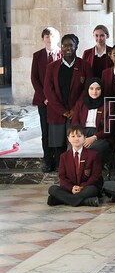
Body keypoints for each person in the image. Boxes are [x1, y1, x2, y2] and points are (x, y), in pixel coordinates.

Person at [44, 34, 92, 164]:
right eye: (65, 45)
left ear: (76, 46)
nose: (68, 48)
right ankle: (62, 170)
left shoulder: (85, 66)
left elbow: (87, 89)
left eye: (71, 45)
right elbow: (48, 90)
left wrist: (75, 109)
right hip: (57, 111)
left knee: (76, 143)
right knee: (58, 145)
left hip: (77, 111)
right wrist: (62, 111)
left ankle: (75, 169)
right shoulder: (52, 67)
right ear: (61, 47)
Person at [47, 125, 103, 207]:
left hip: (86, 187)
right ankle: (85, 201)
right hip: (71, 189)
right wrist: (71, 188)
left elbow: (95, 176)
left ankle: (62, 199)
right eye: (73, 136)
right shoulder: (64, 156)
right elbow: (62, 177)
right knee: (52, 189)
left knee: (92, 190)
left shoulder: (93, 155)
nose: (76, 139)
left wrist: (82, 187)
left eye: (79, 136)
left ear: (84, 138)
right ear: (68, 139)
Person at [71, 77, 115, 178]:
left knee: (93, 148)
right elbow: (75, 123)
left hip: (100, 135)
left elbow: (108, 129)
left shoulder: (108, 105)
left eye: (98, 89)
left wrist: (94, 137)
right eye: (91, 88)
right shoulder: (80, 104)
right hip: (82, 133)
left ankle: (91, 176)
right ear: (87, 89)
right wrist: (81, 137)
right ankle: (75, 177)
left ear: (102, 90)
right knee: (74, 148)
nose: (94, 92)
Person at [32, 26, 60, 171]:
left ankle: (59, 160)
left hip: (58, 101)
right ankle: (48, 160)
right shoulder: (37, 56)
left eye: (52, 36)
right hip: (43, 101)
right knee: (46, 131)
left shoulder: (62, 54)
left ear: (57, 38)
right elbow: (34, 78)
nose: (50, 39)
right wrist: (44, 97)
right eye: (47, 37)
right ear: (43, 39)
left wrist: (55, 99)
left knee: (58, 131)